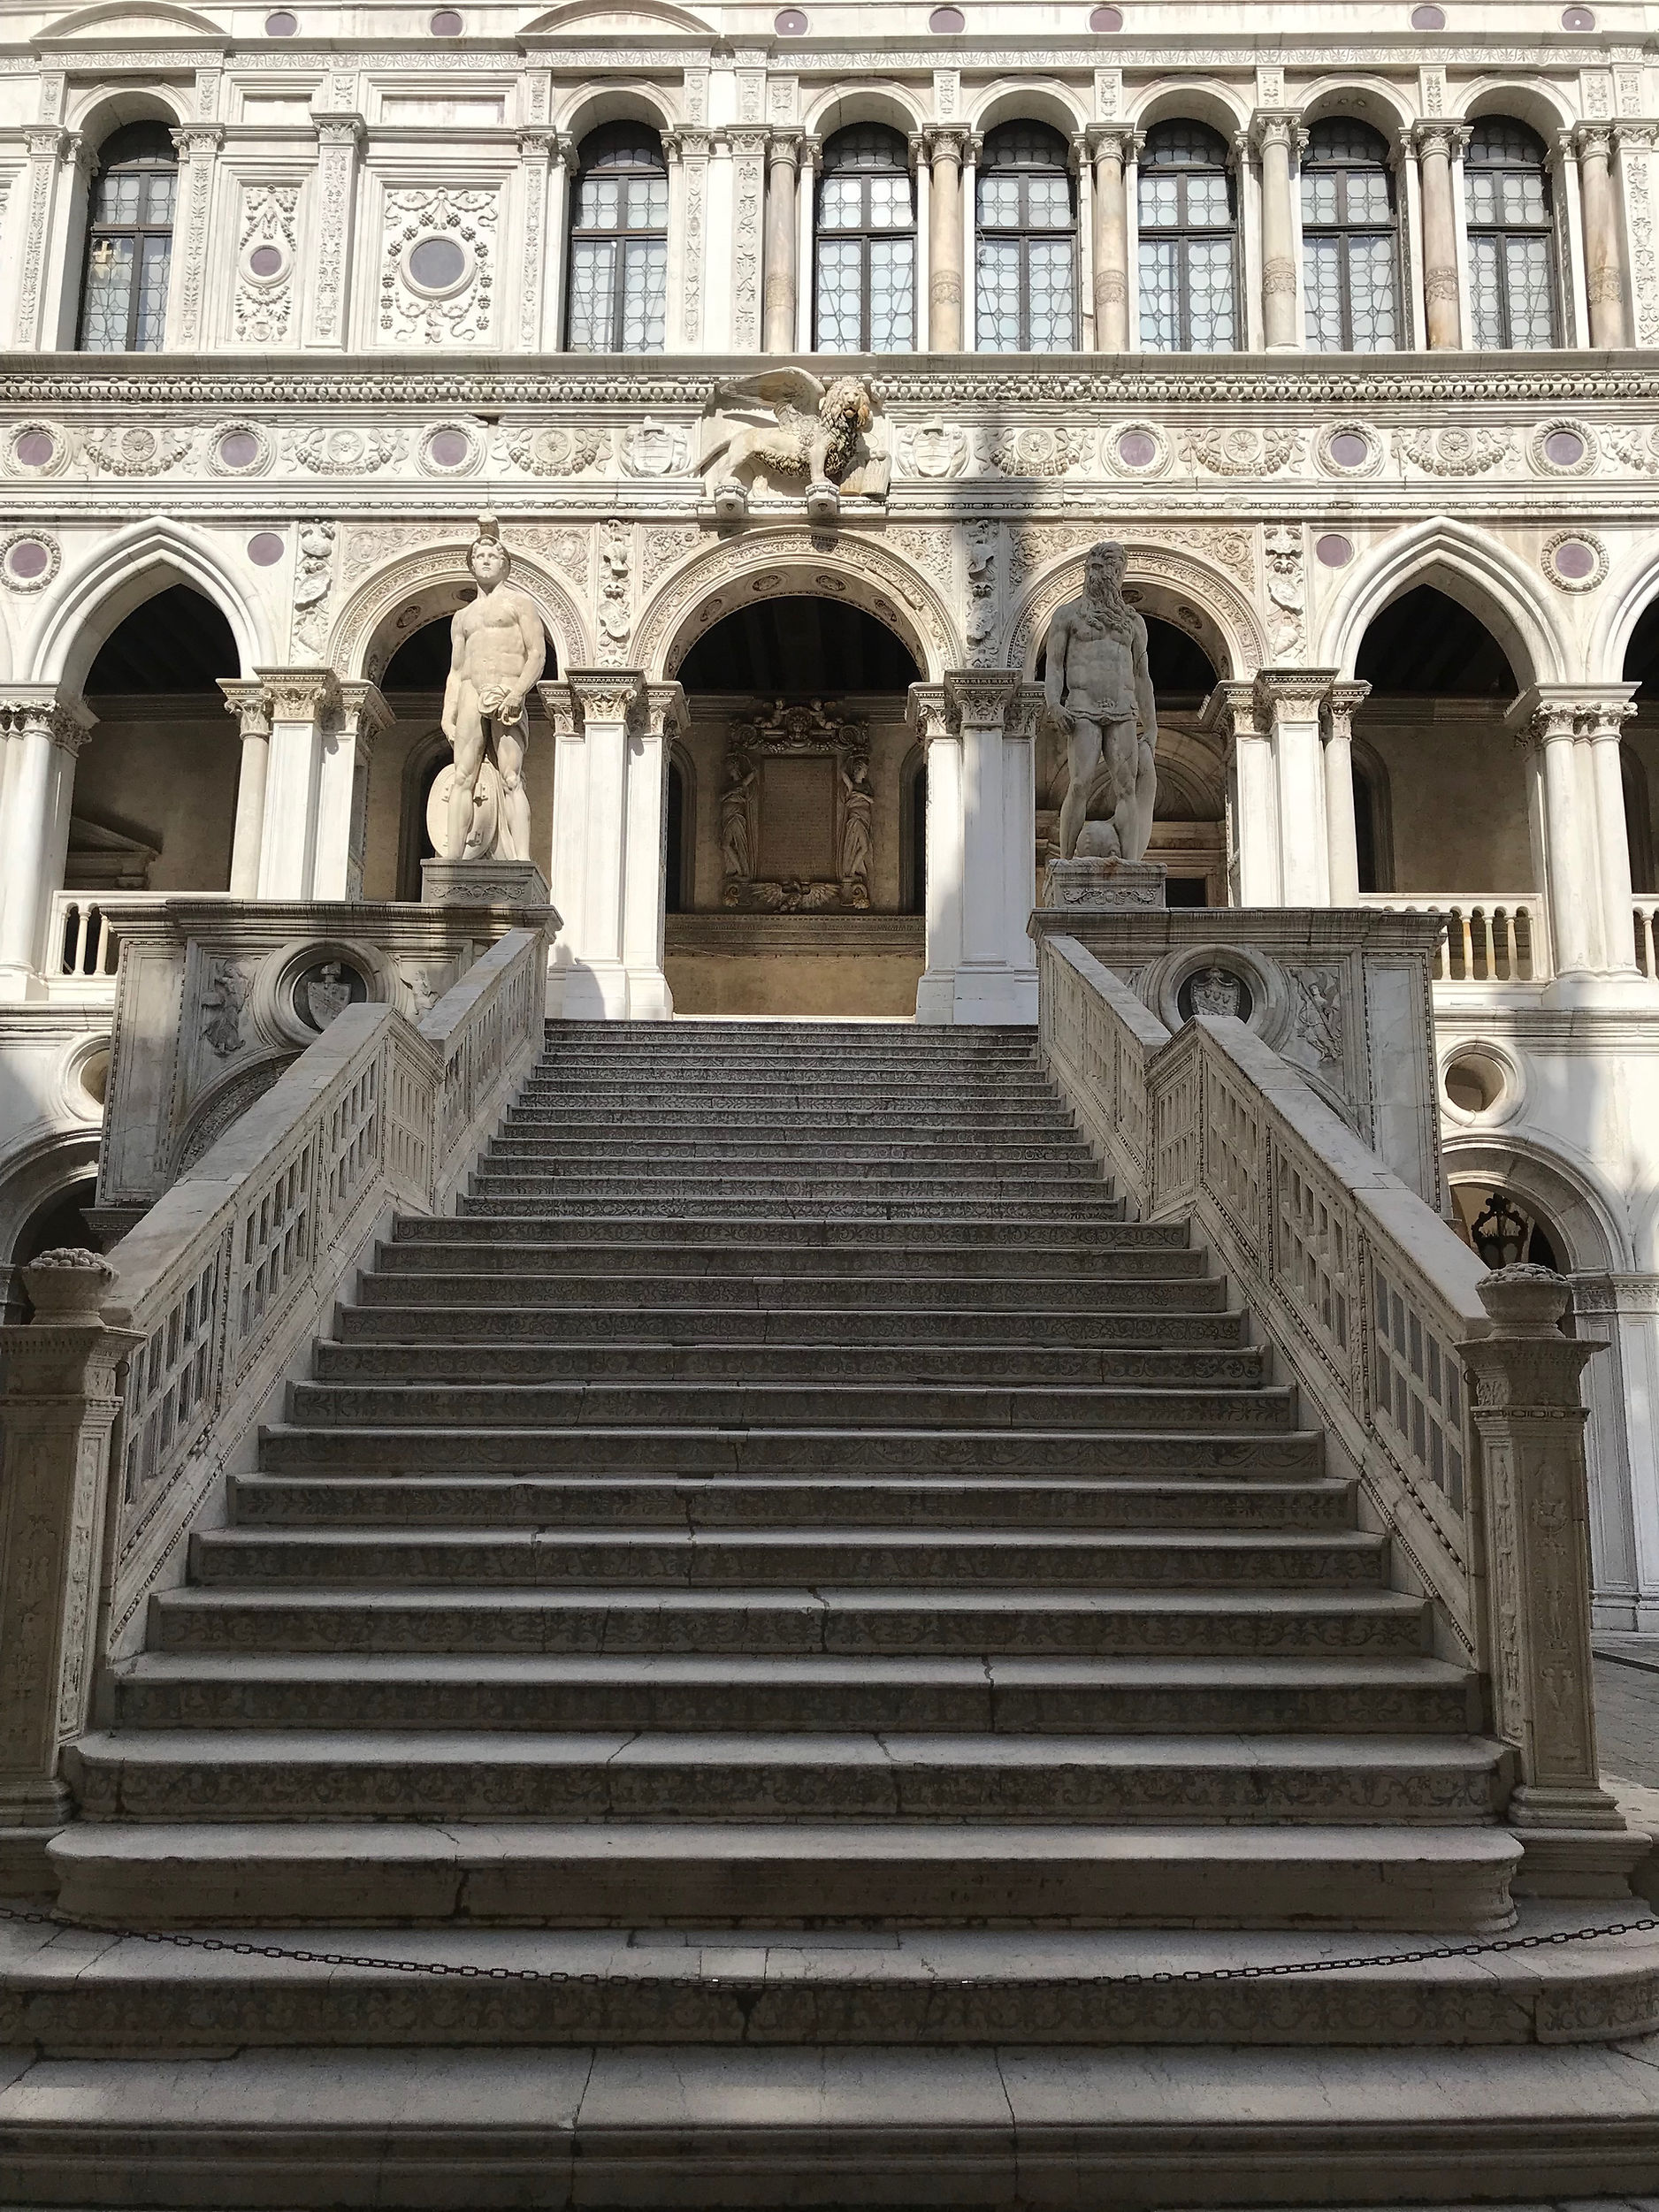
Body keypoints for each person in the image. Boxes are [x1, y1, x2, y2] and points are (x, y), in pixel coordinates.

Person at [1043, 538, 1158, 864]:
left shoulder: (1134, 622)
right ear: (1086, 571)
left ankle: (1131, 864)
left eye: (1108, 569)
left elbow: (1141, 676)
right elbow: (1054, 664)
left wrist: (1151, 727)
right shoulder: (1067, 616)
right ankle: (1066, 863)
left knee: (1127, 788)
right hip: (1082, 708)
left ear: (1119, 574)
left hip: (1123, 710)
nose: (1100, 575)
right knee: (1080, 784)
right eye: (1093, 568)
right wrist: (1054, 702)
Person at [440, 515, 546, 862]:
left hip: (505, 692)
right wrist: (448, 714)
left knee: (511, 776)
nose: (485, 561)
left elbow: (537, 654)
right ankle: (452, 860)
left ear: (506, 565)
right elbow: (456, 671)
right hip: (471, 692)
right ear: (471, 565)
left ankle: (521, 860)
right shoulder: (463, 616)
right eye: (479, 557)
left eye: (492, 556)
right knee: (462, 777)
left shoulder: (520, 605)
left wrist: (517, 693)